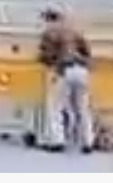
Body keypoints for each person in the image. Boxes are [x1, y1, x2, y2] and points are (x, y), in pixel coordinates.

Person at [38, 8, 95, 154]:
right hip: (82, 70)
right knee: (82, 108)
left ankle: (57, 141)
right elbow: (88, 51)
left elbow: (46, 56)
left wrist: (45, 61)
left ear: (48, 19)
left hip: (64, 70)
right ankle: (88, 142)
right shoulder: (75, 31)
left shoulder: (49, 32)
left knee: (55, 107)